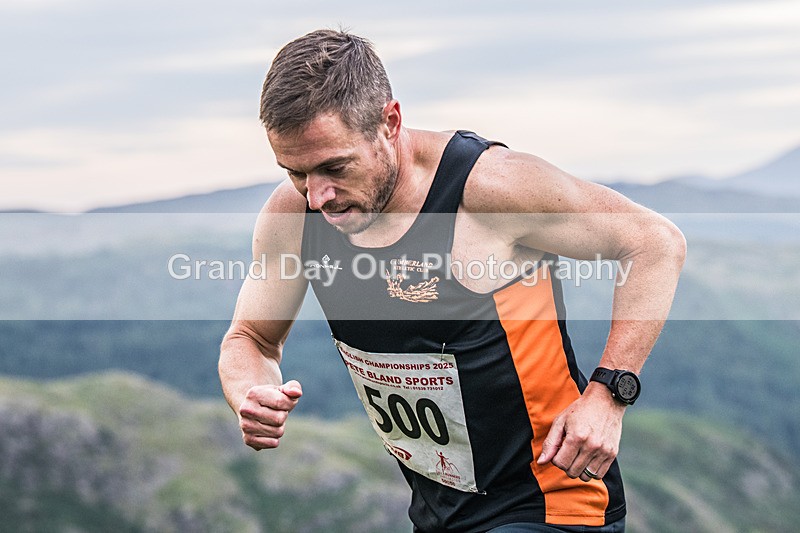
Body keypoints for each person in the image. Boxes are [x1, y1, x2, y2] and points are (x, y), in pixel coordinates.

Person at [218, 29, 686, 533]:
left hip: (552, 503)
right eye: (295, 172)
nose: (317, 196)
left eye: (335, 166)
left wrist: (610, 392)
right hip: (440, 515)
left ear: (389, 123)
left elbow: (655, 242)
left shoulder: (490, 189)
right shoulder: (294, 216)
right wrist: (250, 392)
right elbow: (251, 338)